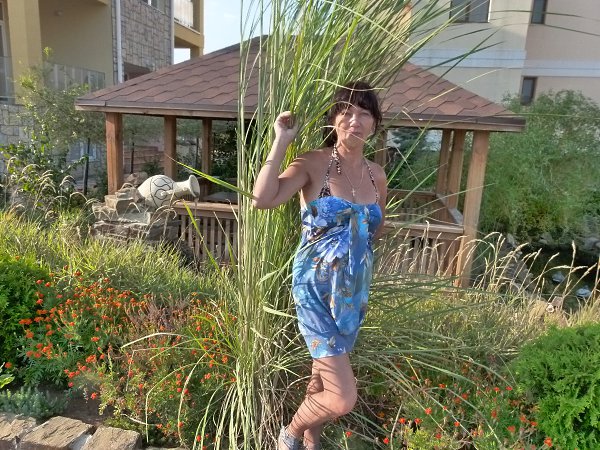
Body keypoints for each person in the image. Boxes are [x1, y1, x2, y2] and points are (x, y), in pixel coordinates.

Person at [252, 81, 387, 450]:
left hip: (352, 294)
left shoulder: (377, 174)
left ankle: (312, 437)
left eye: (364, 113)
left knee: (323, 376)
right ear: (334, 120)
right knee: (342, 398)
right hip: (314, 290)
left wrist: (354, 263)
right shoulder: (313, 163)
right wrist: (282, 140)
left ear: (374, 123)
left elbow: (376, 227)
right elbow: (262, 199)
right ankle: (291, 433)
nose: (354, 120)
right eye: (346, 112)